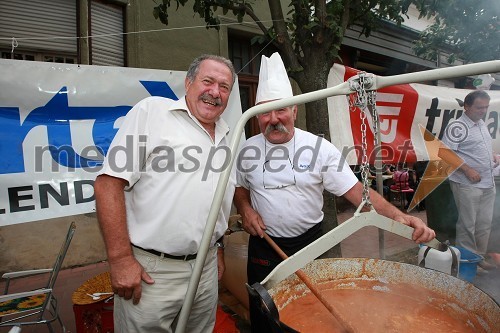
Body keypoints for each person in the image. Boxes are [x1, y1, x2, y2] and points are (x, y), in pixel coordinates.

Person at [233, 52, 436, 333]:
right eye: (265, 112)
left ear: (295, 111)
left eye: (281, 109)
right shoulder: (246, 149)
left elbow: (357, 194)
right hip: (264, 245)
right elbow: (239, 187)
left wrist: (399, 217)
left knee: (311, 313)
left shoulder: (318, 148)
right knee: (264, 312)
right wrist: (245, 209)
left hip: (310, 245)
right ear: (257, 116)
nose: (273, 119)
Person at [94, 54, 237, 332]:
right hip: (153, 272)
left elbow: (212, 202)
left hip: (205, 269)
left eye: (224, 87)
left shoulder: (228, 134)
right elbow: (107, 184)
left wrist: (216, 247)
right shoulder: (152, 112)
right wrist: (121, 259)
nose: (214, 92)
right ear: (188, 83)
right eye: (207, 81)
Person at [439, 90, 500, 271]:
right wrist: (467, 169)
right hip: (467, 183)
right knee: (468, 224)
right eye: (479, 107)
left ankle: (478, 258)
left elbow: (476, 149)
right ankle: (467, 263)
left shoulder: (481, 124)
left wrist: (493, 156)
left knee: (484, 223)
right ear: (466, 106)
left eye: (486, 107)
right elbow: (443, 152)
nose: (483, 111)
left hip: (488, 182)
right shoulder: (457, 126)